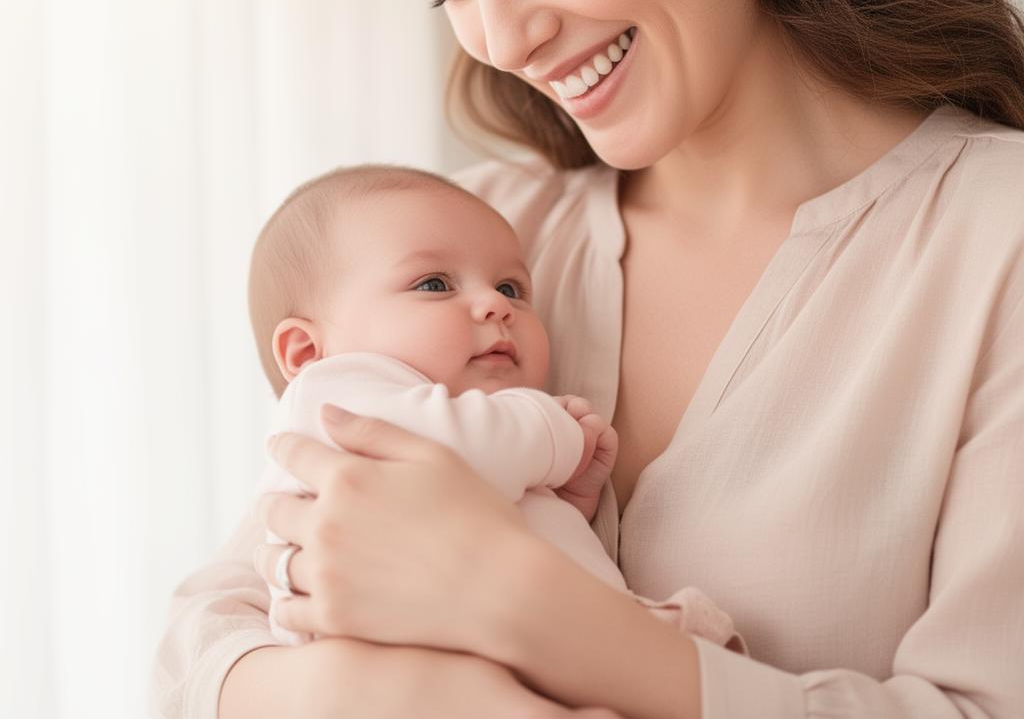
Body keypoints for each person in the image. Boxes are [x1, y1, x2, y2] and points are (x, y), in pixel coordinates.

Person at [151, 0, 1024, 716]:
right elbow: (201, 649)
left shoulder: (991, 242)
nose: (504, 39)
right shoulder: (475, 240)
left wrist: (521, 605)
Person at [248, 163, 740, 651]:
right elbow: (464, 445)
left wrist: (562, 504)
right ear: (307, 352)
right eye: (435, 284)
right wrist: (553, 430)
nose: (495, 304)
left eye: (511, 288)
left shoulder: (467, 432)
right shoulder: (331, 396)